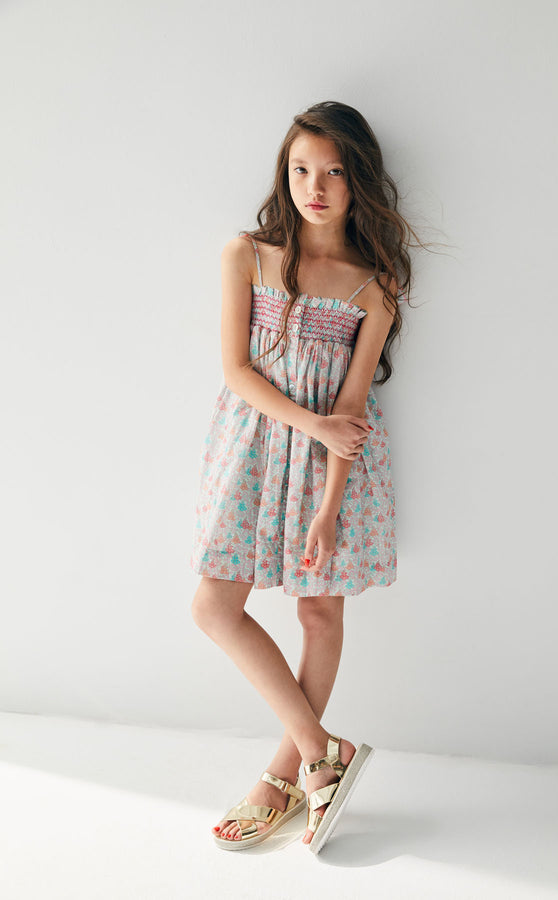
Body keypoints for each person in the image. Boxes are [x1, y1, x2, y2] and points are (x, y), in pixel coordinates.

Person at [189, 100, 412, 854]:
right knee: (214, 607)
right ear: (284, 175)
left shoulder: (372, 285)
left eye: (335, 172)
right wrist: (309, 424)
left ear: (359, 181)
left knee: (319, 615)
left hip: (328, 468)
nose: (315, 187)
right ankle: (323, 751)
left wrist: (328, 506)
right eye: (301, 169)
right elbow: (236, 371)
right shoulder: (247, 255)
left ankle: (284, 778)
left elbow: (350, 410)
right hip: (253, 449)